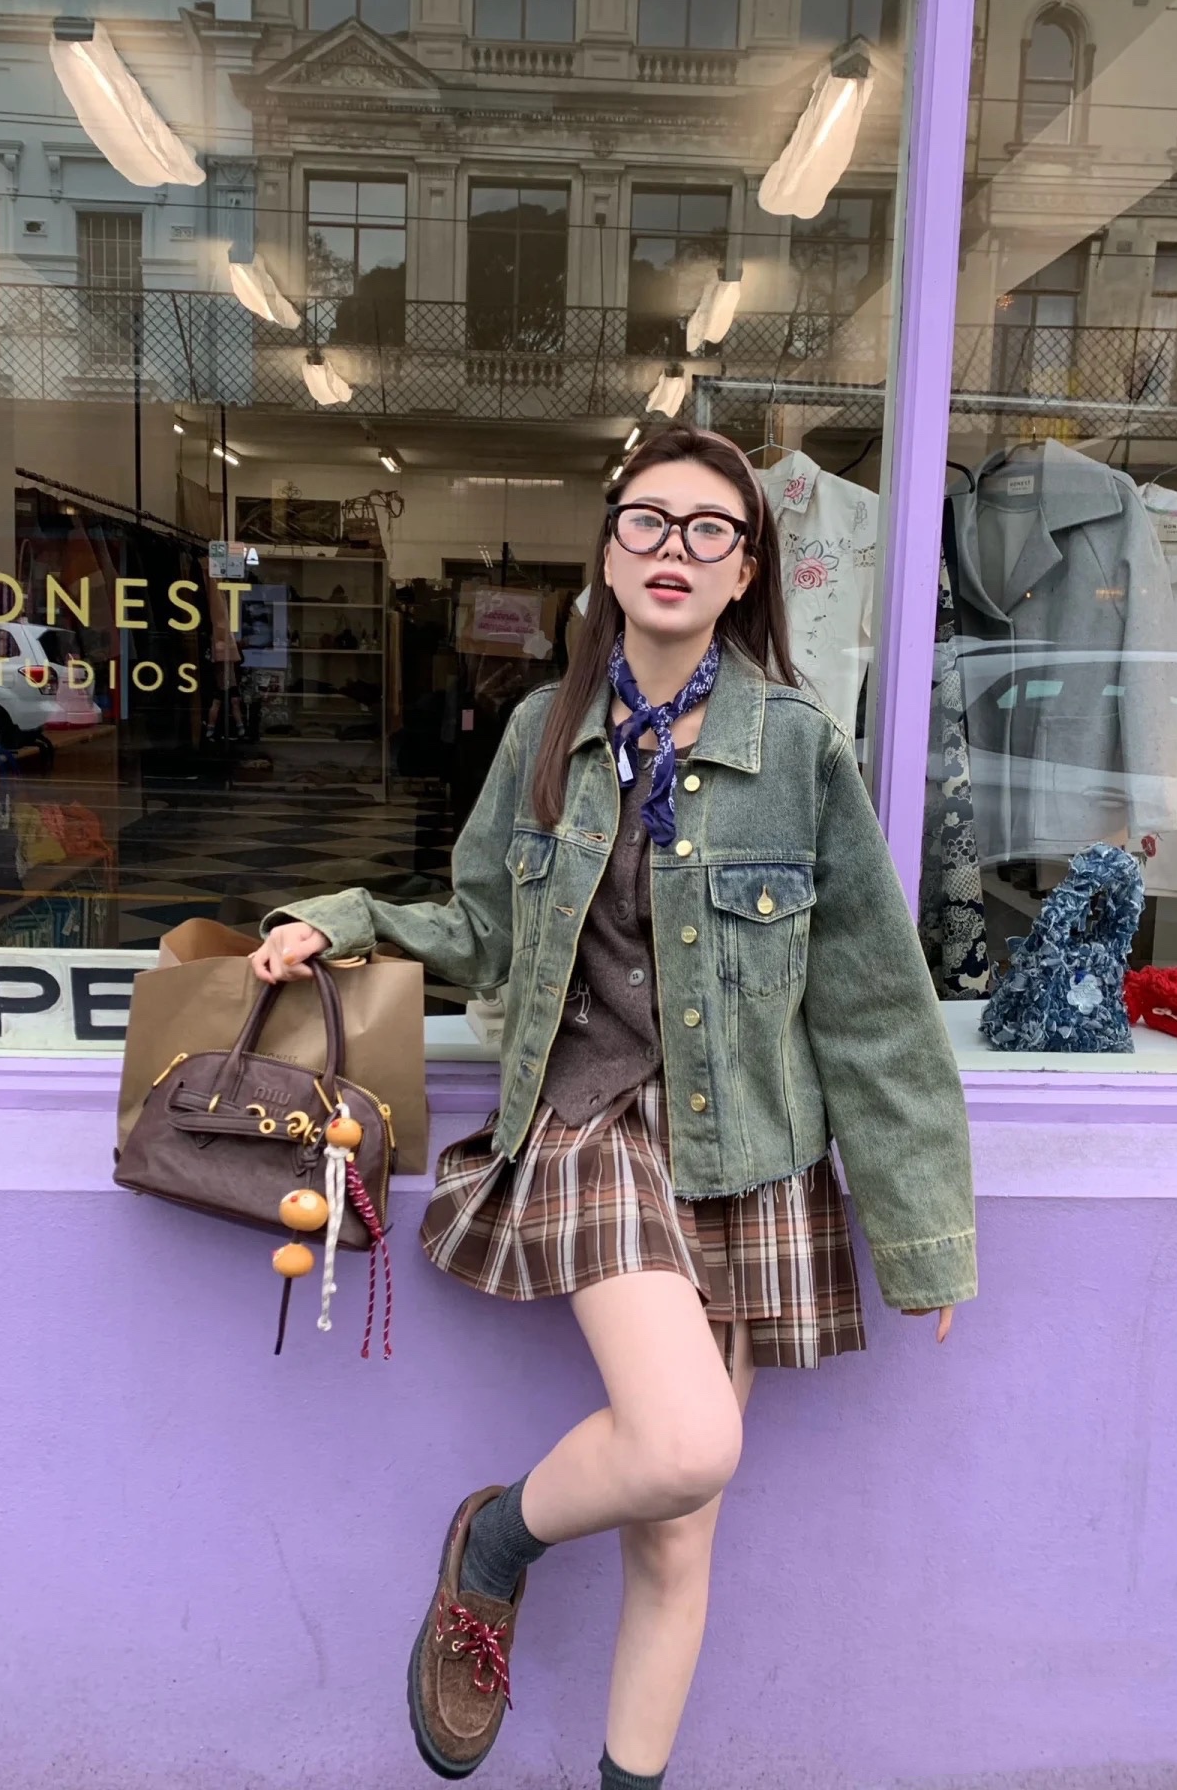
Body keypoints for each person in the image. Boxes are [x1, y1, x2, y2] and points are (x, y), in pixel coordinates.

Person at [251, 424, 977, 1789]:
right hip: (592, 1127)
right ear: (607, 550)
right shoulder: (545, 731)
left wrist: (924, 1224)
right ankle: (495, 1544)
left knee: (682, 1524)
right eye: (648, 521)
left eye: (711, 530)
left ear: (746, 569)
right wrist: (339, 919)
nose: (674, 549)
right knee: (690, 1442)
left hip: (748, 1152)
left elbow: (874, 1005)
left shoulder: (797, 750)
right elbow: (482, 924)